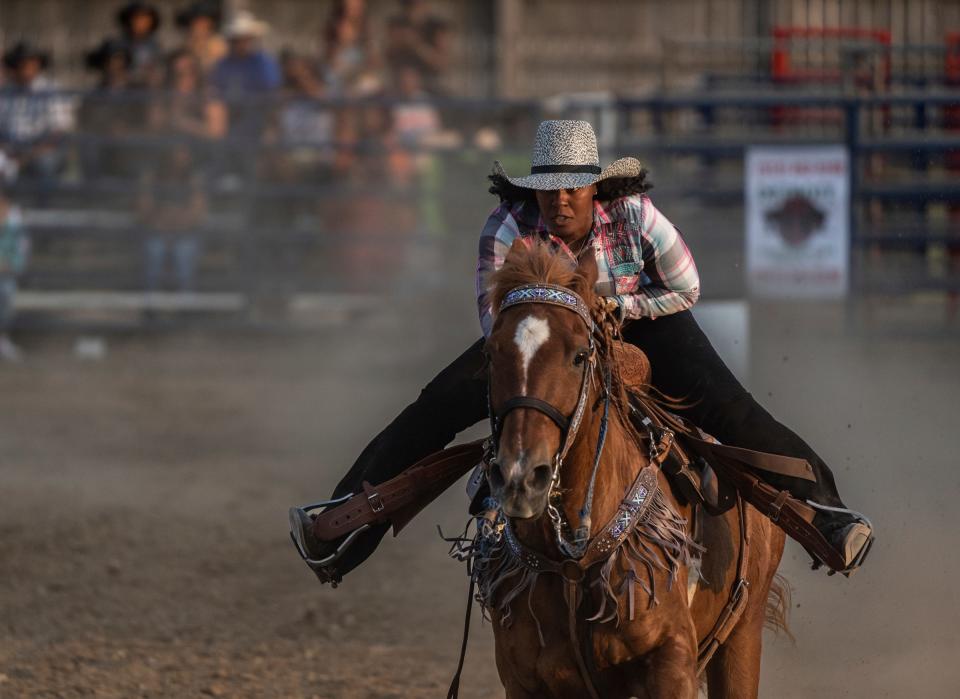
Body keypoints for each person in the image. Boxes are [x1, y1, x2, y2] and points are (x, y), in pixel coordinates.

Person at [290, 120, 874, 582]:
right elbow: (496, 321)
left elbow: (686, 287)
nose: (560, 200)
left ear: (597, 186)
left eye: (572, 186)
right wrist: (548, 339)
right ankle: (339, 528)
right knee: (432, 408)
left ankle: (827, 514)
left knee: (732, 411)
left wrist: (621, 309)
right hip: (537, 334)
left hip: (637, 321)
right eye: (548, 188)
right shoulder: (505, 226)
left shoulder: (636, 216)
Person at [0, 42, 73, 194]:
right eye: (21, 63)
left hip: (40, 152)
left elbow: (58, 133)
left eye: (31, 62)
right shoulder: (5, 93)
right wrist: (8, 154)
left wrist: (26, 158)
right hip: (9, 151)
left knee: (44, 163)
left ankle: (44, 207)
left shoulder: (52, 90)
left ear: (38, 64)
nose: (26, 67)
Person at [0, 171, 29, 361]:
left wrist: (12, 265)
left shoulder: (15, 216)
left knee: (7, 292)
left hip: (6, 271)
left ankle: (2, 339)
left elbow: (22, 246)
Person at [116, 1, 164, 83]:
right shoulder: (119, 45)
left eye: (145, 17)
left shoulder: (156, 46)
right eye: (137, 17)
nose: (141, 22)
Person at [175, 1, 227, 76]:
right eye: (194, 22)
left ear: (210, 23)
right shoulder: (186, 44)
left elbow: (216, 69)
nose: (197, 26)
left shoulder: (218, 45)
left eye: (202, 22)